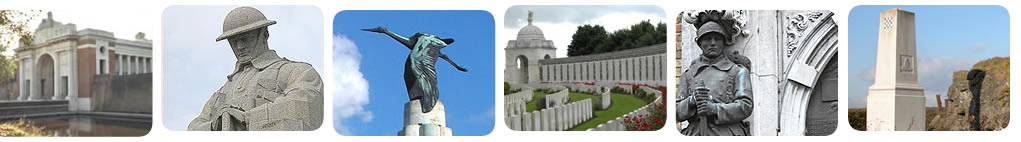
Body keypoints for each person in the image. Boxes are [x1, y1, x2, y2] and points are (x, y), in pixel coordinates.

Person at [188, 6, 324, 131]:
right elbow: (194, 127)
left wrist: (246, 117)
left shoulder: (297, 71)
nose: (239, 46)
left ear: (265, 34)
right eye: (233, 42)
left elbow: (303, 104)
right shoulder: (221, 92)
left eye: (245, 39)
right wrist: (214, 126)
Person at [677, 10, 754, 136]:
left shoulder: (738, 71)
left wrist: (714, 108)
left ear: (723, 42)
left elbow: (745, 106)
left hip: (726, 132)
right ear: (699, 43)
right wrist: (692, 100)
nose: (713, 43)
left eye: (717, 39)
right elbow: (676, 111)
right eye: (707, 39)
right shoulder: (688, 75)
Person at [362, 26, 468, 113]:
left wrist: (457, 66)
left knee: (415, 62)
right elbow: (442, 55)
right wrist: (387, 32)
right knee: (408, 72)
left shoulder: (422, 40)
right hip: (422, 47)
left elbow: (442, 55)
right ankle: (417, 95)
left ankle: (429, 95)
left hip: (425, 45)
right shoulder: (417, 43)